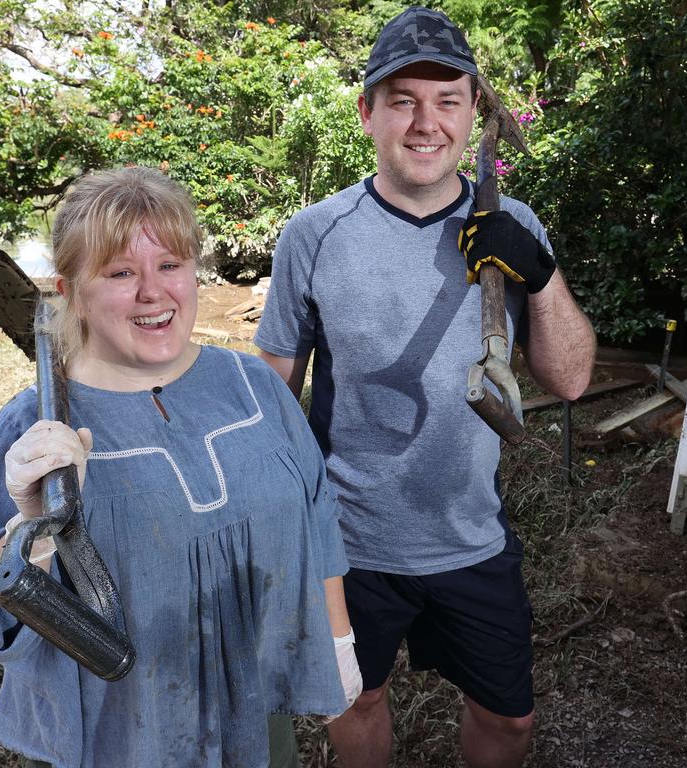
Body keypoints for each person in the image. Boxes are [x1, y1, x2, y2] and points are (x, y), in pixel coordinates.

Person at [0, 166, 362, 768]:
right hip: (122, 731)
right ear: (71, 292)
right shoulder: (37, 428)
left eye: (170, 265)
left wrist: (337, 638)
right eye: (121, 273)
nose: (153, 292)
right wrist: (28, 532)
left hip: (254, 709)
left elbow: (316, 510)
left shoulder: (253, 384)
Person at [255, 7, 595, 768]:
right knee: (358, 697)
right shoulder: (314, 234)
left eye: (448, 100)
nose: (425, 122)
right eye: (403, 99)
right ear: (367, 111)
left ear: (476, 112)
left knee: (507, 720)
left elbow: (571, 379)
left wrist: (537, 274)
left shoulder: (512, 225)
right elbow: (274, 387)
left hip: (470, 534)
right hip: (349, 540)